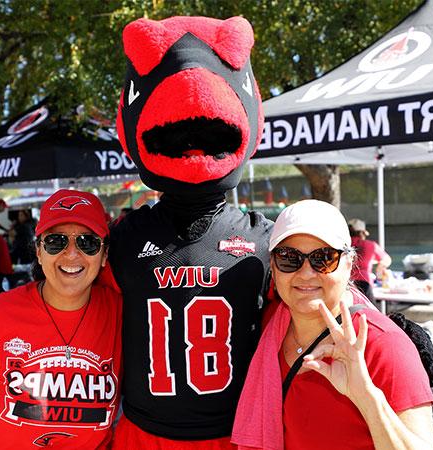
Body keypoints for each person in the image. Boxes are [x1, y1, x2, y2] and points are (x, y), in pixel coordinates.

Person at [110, 16, 272, 449]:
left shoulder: (266, 240)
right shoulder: (124, 236)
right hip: (143, 433)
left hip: (232, 434)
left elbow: (322, 289)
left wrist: (385, 331)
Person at [232, 200, 433, 450]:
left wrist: (367, 398)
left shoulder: (382, 344)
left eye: (324, 258)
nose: (306, 273)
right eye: (289, 258)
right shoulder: (270, 325)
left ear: (349, 265)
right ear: (273, 268)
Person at [0, 189, 122, 450]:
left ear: (103, 255)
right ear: (38, 250)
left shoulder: (121, 315)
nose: (71, 254)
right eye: (56, 241)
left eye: (87, 242)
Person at [348, 218, 391, 304]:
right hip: (364, 284)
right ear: (362, 233)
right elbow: (387, 259)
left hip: (346, 284)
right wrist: (380, 267)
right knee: (371, 313)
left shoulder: (343, 244)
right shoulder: (370, 245)